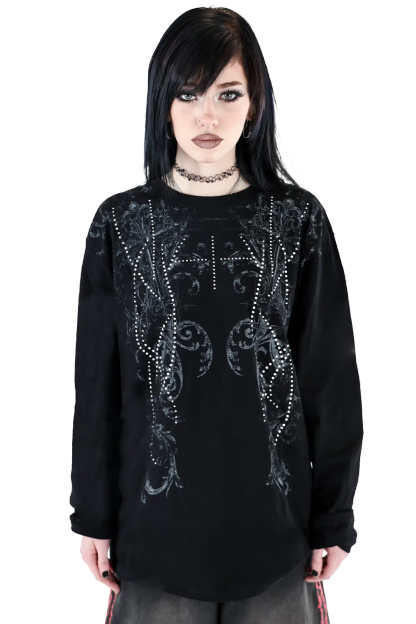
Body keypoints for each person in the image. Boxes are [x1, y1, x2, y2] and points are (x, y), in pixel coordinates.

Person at [69, 5, 363, 623]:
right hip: (154, 533)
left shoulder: (297, 220)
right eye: (188, 93)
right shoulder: (121, 224)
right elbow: (98, 384)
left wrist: (335, 516)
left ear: (254, 105)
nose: (207, 115)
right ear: (162, 104)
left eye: (228, 93)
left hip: (277, 536)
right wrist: (91, 515)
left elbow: (330, 381)